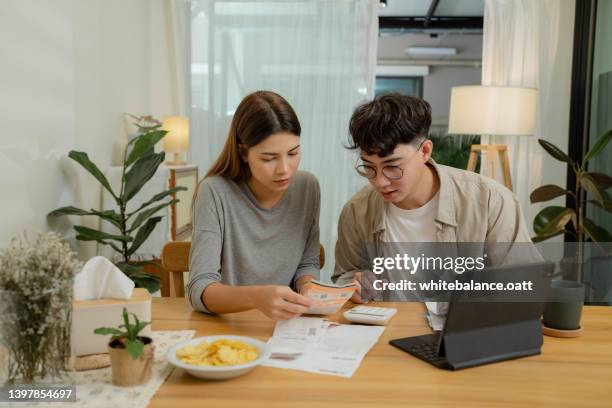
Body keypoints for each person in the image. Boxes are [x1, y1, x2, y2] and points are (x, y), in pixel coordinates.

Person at [332, 93, 539, 305]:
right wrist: (353, 286)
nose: (380, 182)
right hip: (387, 332)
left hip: (465, 332)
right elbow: (344, 276)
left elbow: (526, 284)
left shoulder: (490, 202)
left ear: (425, 151)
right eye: (368, 167)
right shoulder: (357, 211)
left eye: (392, 167)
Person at [187, 91, 320, 320]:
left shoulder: (307, 187)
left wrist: (308, 287)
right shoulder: (214, 192)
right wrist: (257, 298)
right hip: (229, 328)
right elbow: (200, 289)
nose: (285, 169)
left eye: (293, 153)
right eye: (269, 158)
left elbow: (307, 263)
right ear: (243, 152)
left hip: (284, 327)